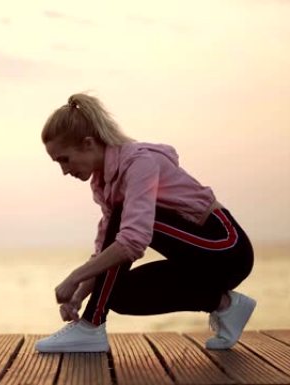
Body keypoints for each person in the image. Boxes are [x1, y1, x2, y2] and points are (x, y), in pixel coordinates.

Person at [35, 93, 256, 352]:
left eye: (64, 159)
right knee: (119, 293)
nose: (63, 170)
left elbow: (132, 240)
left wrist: (74, 277)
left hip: (225, 249)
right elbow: (107, 251)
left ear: (88, 144)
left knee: (123, 225)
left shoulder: (140, 163)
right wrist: (78, 296)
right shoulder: (102, 181)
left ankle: (91, 326)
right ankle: (226, 305)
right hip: (197, 263)